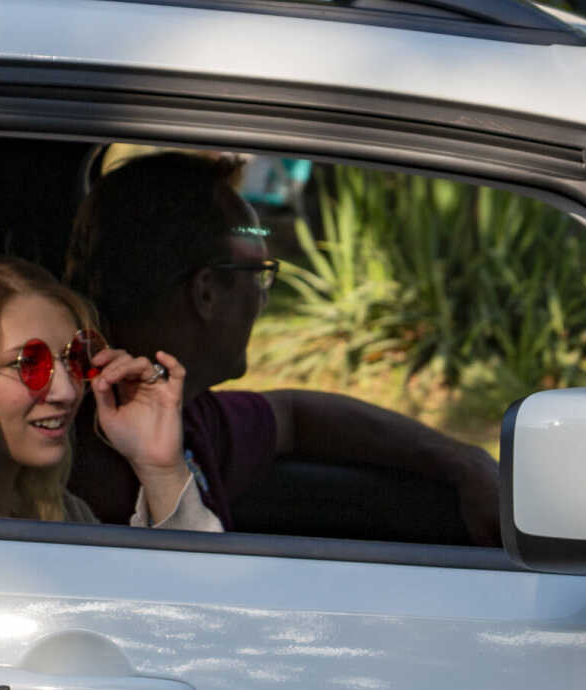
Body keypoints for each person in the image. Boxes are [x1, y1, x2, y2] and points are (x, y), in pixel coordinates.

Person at [63, 150, 500, 543]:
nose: (264, 298)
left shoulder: (185, 415)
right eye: (257, 275)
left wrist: (463, 462)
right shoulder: (80, 459)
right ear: (206, 292)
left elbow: (293, 416)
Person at [0, 251, 221, 530]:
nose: (67, 391)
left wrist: (161, 470)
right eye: (28, 363)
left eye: (75, 359)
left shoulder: (65, 514)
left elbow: (194, 568)